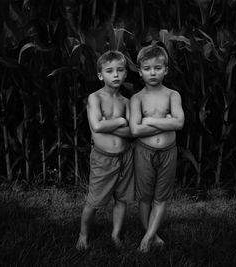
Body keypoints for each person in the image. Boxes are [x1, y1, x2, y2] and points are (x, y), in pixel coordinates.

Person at [76, 50, 134, 251]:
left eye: (120, 70)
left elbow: (132, 132)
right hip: (103, 159)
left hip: (125, 157)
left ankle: (116, 235)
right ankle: (83, 234)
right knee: (94, 200)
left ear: (126, 73)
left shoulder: (127, 102)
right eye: (110, 71)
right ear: (101, 75)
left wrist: (111, 124)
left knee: (122, 198)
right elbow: (97, 126)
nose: (116, 75)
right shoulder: (95, 98)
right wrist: (120, 121)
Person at [129, 45, 184, 253]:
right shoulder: (137, 99)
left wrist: (149, 120)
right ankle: (152, 234)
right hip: (144, 152)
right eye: (148, 68)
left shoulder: (173, 95)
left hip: (169, 151)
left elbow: (179, 123)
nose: (153, 72)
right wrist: (165, 121)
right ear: (140, 71)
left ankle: (147, 238)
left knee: (161, 196)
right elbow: (135, 129)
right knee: (144, 197)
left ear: (166, 70)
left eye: (158, 68)